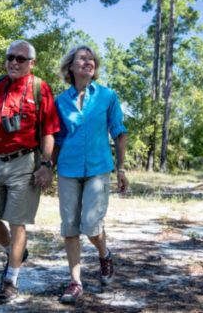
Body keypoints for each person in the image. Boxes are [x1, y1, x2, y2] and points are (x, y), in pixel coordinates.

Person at [0, 39, 59, 304]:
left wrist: (46, 165)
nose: (13, 62)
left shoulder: (40, 89)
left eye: (20, 58)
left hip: (25, 163)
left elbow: (48, 132)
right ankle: (13, 250)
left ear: (31, 63)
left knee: (17, 222)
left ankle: (10, 280)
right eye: (10, 57)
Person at [49, 44, 129, 305]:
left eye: (91, 58)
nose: (88, 61)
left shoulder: (107, 96)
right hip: (69, 169)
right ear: (70, 66)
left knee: (91, 224)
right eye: (82, 58)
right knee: (69, 226)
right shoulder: (60, 101)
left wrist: (122, 168)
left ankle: (104, 254)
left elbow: (119, 131)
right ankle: (75, 282)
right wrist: (47, 167)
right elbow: (57, 139)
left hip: (98, 168)